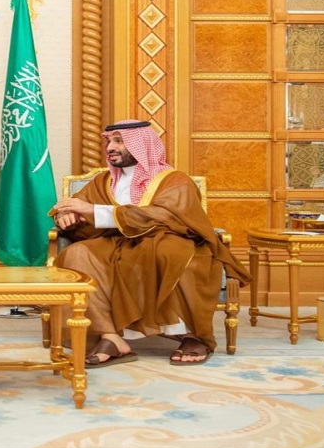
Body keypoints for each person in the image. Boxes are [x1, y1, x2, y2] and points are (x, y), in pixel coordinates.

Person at [50, 120, 250, 368]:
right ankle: (111, 337)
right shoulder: (103, 181)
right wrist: (67, 215)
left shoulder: (174, 180)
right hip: (116, 243)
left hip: (170, 239)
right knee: (76, 254)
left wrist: (93, 210)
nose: (110, 147)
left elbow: (167, 216)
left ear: (142, 145)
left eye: (119, 141)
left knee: (169, 255)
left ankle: (193, 335)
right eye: (109, 141)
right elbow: (76, 206)